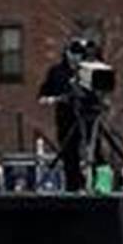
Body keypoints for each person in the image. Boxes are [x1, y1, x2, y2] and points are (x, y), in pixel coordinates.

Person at [38, 41, 86, 192]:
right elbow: (43, 96)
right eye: (73, 53)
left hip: (87, 116)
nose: (76, 57)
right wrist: (59, 98)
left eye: (79, 53)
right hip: (66, 117)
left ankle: (96, 183)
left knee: (93, 150)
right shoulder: (57, 72)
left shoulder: (87, 70)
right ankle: (73, 186)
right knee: (69, 152)